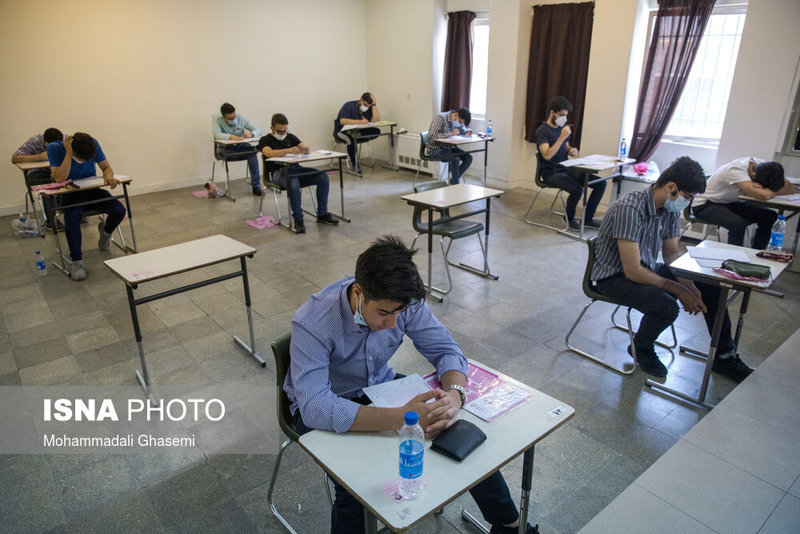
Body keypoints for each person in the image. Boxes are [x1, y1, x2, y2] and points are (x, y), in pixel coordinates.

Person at [284, 236, 538, 534]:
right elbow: (315, 407)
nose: (393, 324)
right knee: (354, 484)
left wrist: (455, 396)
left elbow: (446, 350)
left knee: (460, 434)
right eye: (383, 313)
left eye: (399, 314)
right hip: (325, 403)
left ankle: (509, 526)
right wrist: (402, 417)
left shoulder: (405, 301)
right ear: (358, 292)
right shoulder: (313, 322)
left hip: (380, 388)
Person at [590, 156, 753, 382]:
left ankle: (724, 356)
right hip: (614, 277)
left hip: (645, 267)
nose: (687, 203)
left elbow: (672, 254)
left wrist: (690, 285)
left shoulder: (670, 208)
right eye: (688, 197)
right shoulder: (629, 208)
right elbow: (633, 271)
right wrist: (678, 290)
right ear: (671, 187)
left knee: (711, 286)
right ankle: (641, 346)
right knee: (666, 306)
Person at [47, 132, 127, 281]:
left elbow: (106, 167)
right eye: (81, 159)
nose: (83, 162)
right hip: (69, 194)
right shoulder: (55, 148)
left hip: (92, 190)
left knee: (119, 210)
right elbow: (59, 178)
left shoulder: (92, 144)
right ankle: (76, 262)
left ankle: (106, 232)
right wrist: (68, 154)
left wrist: (108, 177)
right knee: (72, 218)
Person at [257, 113, 339, 234]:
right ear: (272, 128)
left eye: (285, 131)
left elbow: (302, 145)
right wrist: (289, 150)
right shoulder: (265, 140)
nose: (282, 134)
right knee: (293, 181)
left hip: (296, 168)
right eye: (279, 131)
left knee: (322, 177)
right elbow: (268, 153)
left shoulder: (290, 137)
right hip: (278, 173)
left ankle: (322, 213)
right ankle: (298, 218)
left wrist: (305, 148)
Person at [692, 158, 795, 250]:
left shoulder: (765, 166)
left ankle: (756, 253)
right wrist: (770, 191)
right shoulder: (736, 169)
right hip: (705, 204)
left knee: (770, 216)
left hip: (730, 203)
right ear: (753, 175)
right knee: (738, 224)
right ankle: (735, 260)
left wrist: (766, 190)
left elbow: (791, 188)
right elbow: (763, 195)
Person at [535, 96, 605, 230]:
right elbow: (547, 155)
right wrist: (562, 137)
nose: (564, 118)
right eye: (562, 115)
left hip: (565, 168)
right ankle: (569, 218)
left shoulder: (561, 128)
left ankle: (588, 219)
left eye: (566, 115)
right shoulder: (542, 131)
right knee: (577, 189)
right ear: (552, 113)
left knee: (600, 184)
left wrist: (572, 151)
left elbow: (566, 147)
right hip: (551, 173)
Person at [12, 127, 64, 229]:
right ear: (45, 142)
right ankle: (51, 221)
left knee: (72, 180)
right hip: (37, 173)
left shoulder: (64, 140)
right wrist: (40, 157)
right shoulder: (35, 141)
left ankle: (77, 213)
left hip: (55, 171)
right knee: (49, 186)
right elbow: (14, 158)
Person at [212, 102, 262, 196]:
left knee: (251, 154)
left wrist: (251, 134)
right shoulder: (216, 118)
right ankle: (252, 150)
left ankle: (256, 186)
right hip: (225, 148)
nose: (233, 120)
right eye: (230, 119)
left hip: (240, 145)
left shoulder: (241, 118)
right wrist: (230, 137)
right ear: (223, 117)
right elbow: (216, 134)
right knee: (251, 151)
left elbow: (258, 129)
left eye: (234, 117)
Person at [333, 92, 381, 174]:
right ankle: (355, 165)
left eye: (368, 106)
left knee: (376, 131)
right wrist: (360, 122)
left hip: (357, 131)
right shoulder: (349, 105)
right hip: (342, 132)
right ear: (361, 100)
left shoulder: (369, 108)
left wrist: (374, 104)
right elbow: (342, 121)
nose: (366, 107)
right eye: (365, 105)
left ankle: (357, 135)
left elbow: (376, 120)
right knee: (350, 140)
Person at [425, 108, 474, 185]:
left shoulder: (457, 121)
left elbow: (463, 129)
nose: (460, 124)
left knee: (468, 158)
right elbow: (432, 136)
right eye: (460, 122)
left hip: (449, 147)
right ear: (456, 115)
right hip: (435, 148)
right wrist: (450, 134)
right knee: (455, 159)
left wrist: (468, 132)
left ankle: (454, 181)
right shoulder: (441, 118)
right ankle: (456, 184)